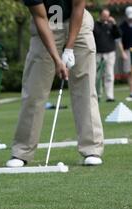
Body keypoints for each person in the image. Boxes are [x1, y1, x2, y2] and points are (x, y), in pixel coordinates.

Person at [6, 0, 104, 168]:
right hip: (47, 25)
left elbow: (78, 6)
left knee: (85, 88)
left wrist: (69, 48)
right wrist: (57, 59)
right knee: (34, 90)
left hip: (78, 24)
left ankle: (92, 148)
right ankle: (22, 152)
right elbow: (40, 17)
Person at [93, 8, 122, 102]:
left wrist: (114, 24)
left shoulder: (111, 25)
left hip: (110, 53)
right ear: (100, 15)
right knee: (97, 76)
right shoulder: (95, 25)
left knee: (109, 75)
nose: (106, 18)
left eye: (107, 16)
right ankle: (98, 95)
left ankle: (110, 96)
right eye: (104, 16)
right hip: (97, 53)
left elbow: (118, 35)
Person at [119, 6, 132, 101]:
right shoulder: (122, 26)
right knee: (129, 72)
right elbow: (119, 41)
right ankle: (131, 92)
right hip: (127, 50)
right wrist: (122, 52)